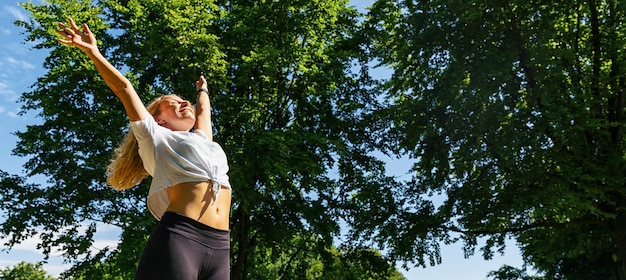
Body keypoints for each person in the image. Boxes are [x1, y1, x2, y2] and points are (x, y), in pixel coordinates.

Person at [56, 17, 232, 280]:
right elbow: (123, 88)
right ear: (158, 119)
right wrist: (93, 52)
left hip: (220, 246)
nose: (184, 102)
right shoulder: (154, 136)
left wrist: (203, 90)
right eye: (174, 102)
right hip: (182, 238)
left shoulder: (203, 141)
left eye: (185, 100)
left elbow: (204, 110)